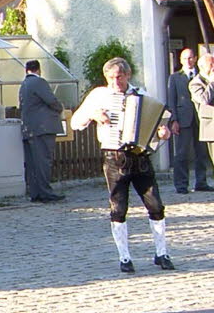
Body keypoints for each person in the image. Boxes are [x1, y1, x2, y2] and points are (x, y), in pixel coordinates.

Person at [71, 57, 173, 274]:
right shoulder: (99, 95)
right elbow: (75, 123)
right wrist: (93, 115)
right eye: (110, 78)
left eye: (119, 77)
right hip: (114, 156)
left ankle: (161, 253)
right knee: (119, 208)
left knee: (155, 205)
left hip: (139, 157)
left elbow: (158, 127)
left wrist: (163, 133)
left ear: (127, 75)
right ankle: (124, 257)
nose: (115, 81)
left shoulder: (141, 95)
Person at [166, 48, 212, 194]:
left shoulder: (203, 76)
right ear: (180, 60)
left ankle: (201, 182)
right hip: (183, 118)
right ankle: (181, 184)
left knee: (202, 153)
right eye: (185, 58)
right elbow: (171, 100)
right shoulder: (175, 77)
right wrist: (173, 120)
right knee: (181, 153)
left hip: (201, 119)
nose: (188, 61)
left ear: (195, 58)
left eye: (191, 58)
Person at [19, 60, 66, 202]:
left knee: (33, 162)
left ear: (26, 70)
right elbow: (51, 100)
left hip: (29, 128)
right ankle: (46, 193)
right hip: (42, 128)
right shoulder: (39, 82)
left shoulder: (23, 85)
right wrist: (60, 108)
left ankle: (35, 193)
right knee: (43, 161)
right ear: (39, 70)